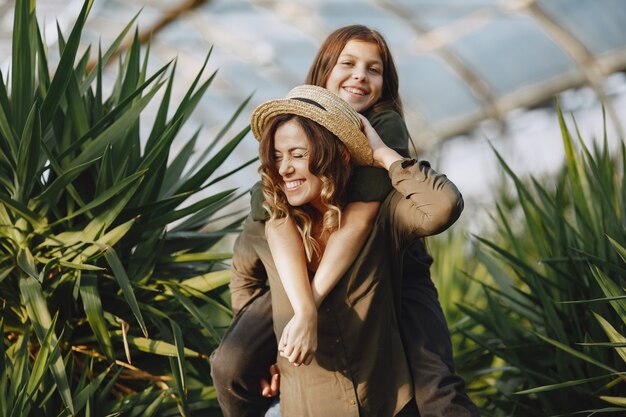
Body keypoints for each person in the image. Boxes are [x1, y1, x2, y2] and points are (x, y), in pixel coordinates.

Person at [211, 25, 480, 417]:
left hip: (387, 263)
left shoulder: (381, 125)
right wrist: (272, 344)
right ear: (323, 73)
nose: (360, 76)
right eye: (348, 64)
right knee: (231, 365)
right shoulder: (288, 144)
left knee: (436, 388)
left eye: (374, 69)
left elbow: (360, 218)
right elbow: (271, 223)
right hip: (299, 264)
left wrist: (381, 152)